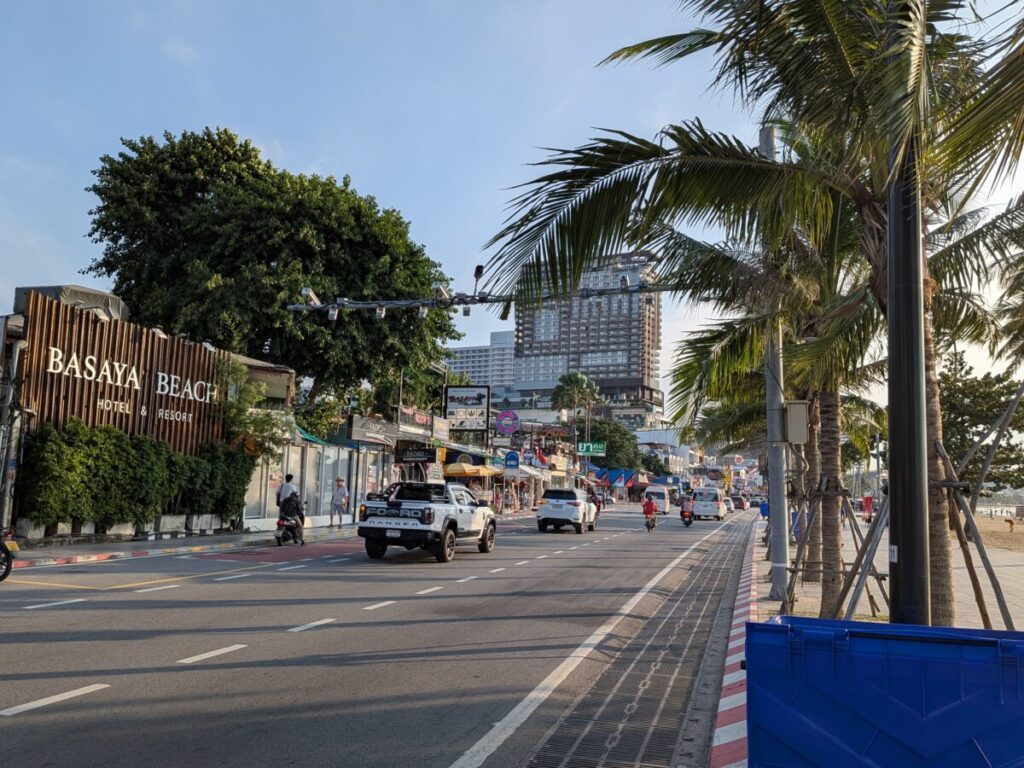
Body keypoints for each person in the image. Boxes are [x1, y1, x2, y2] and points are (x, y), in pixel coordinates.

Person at [276, 474, 305, 545]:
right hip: (290, 509)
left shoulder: (282, 486)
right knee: (300, 526)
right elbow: (296, 498)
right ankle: (301, 540)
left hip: (282, 507)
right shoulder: (293, 487)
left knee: (281, 518)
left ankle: (289, 534)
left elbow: (277, 494)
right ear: (291, 479)